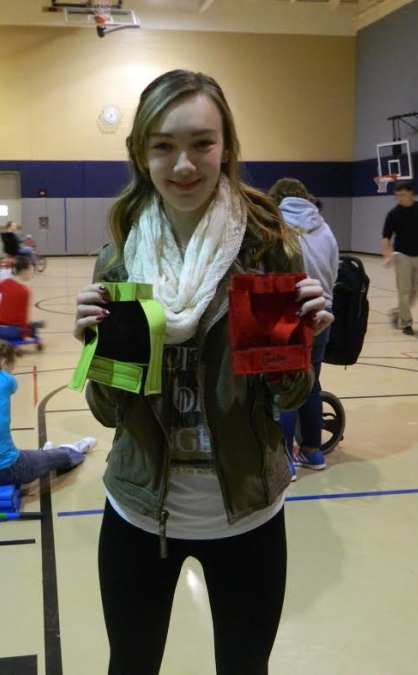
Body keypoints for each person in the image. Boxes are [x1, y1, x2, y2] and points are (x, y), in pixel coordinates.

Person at [74, 70, 332, 675]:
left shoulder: (268, 248)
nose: (183, 164)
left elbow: (289, 397)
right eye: (163, 145)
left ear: (227, 148)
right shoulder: (119, 254)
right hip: (139, 509)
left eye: (201, 143)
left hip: (247, 512)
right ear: (141, 153)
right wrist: (96, 350)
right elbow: (108, 411)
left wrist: (305, 344)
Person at [0, 339, 96, 487]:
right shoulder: (5, 381)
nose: (11, 372)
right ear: (4, 363)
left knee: (24, 454)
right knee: (58, 457)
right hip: (5, 471)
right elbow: (6, 381)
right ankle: (74, 449)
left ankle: (44, 455)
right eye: (11, 368)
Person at [268, 177, 338, 476]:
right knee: (310, 384)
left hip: (290, 315)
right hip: (323, 313)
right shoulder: (326, 229)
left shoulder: (276, 226)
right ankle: (313, 451)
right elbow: (334, 273)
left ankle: (284, 459)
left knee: (284, 388)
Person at [380, 180, 418, 335]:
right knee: (404, 291)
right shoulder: (393, 214)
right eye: (397, 195)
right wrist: (387, 255)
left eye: (403, 194)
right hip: (401, 255)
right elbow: (386, 237)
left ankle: (397, 312)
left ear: (410, 193)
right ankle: (406, 323)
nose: (400, 198)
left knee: (415, 292)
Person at [0, 256, 42, 342]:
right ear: (24, 271)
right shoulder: (24, 291)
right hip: (12, 332)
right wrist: (26, 335)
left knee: (27, 324)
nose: (32, 275)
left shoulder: (6, 282)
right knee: (33, 329)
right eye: (30, 271)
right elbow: (23, 317)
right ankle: (33, 325)